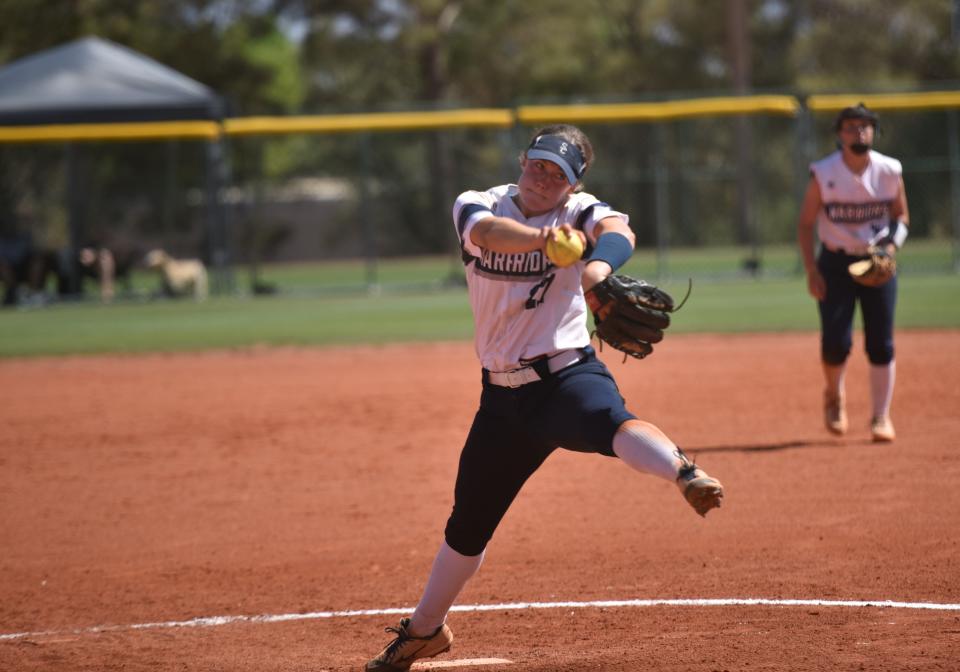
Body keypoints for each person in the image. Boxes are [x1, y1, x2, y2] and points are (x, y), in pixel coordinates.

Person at [363, 124, 725, 671]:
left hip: (565, 378)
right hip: (501, 402)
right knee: (468, 525)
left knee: (612, 422)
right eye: (538, 164)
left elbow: (617, 228)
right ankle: (424, 631)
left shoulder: (578, 212)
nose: (543, 178)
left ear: (572, 185)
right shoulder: (478, 203)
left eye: (558, 174)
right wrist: (544, 244)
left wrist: (597, 270)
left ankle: (683, 472)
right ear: (522, 160)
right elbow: (485, 234)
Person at [796, 103, 909, 443]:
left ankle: (880, 416)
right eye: (851, 127)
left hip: (877, 262)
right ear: (839, 134)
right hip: (835, 264)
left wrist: (890, 248)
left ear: (873, 131)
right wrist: (812, 270)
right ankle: (834, 395)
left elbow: (901, 217)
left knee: (881, 343)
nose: (859, 131)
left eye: (865, 126)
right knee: (835, 343)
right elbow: (805, 224)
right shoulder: (824, 172)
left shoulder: (889, 170)